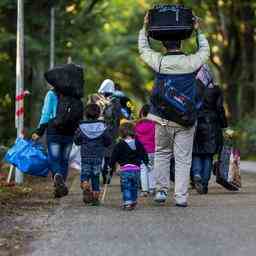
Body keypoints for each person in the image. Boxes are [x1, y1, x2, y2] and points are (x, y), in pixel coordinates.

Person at [138, 13, 210, 207]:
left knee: (161, 153)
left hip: (162, 118)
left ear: (163, 46)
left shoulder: (160, 62)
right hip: (186, 119)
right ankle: (181, 197)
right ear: (181, 44)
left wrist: (145, 27)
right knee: (183, 159)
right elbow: (205, 50)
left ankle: (161, 192)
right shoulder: (191, 62)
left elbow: (143, 49)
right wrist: (198, 29)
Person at [32, 64, 84, 198]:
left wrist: (39, 131)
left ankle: (57, 176)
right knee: (64, 159)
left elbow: (46, 114)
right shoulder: (75, 96)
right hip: (69, 132)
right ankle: (62, 184)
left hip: (54, 131)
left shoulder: (51, 94)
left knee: (54, 158)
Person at [191, 64, 228, 194]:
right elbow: (219, 109)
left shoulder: (192, 87)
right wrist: (224, 124)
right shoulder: (216, 89)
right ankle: (204, 184)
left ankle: (196, 174)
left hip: (196, 124)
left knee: (196, 152)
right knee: (208, 155)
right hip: (212, 125)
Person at [74, 103, 111, 205]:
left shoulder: (81, 126)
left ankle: (85, 184)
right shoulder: (102, 126)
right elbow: (108, 140)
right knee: (95, 177)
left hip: (85, 156)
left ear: (86, 114)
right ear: (98, 114)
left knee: (85, 174)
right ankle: (95, 197)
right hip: (98, 157)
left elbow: (77, 140)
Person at [110, 122, 148, 210]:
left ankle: (127, 202)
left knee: (126, 186)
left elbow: (114, 157)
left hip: (125, 170)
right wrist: (146, 162)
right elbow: (144, 153)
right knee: (134, 186)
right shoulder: (138, 143)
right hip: (136, 169)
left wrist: (111, 166)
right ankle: (134, 200)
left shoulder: (119, 144)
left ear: (121, 133)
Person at [135, 104, 156, 196]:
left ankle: (145, 190)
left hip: (142, 151)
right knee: (152, 169)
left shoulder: (137, 125)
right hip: (152, 150)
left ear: (142, 113)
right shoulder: (154, 125)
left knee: (143, 170)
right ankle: (152, 188)